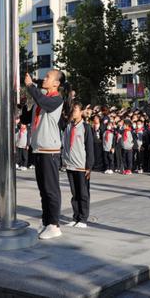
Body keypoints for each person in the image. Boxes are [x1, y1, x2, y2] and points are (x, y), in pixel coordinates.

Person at [21, 70, 65, 240]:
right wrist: (24, 104)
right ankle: (47, 222)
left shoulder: (55, 99)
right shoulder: (41, 101)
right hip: (38, 149)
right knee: (43, 190)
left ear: (56, 83)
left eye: (48, 77)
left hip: (50, 151)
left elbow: (42, 100)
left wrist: (31, 85)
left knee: (51, 190)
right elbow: (25, 119)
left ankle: (54, 225)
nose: (45, 78)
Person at [62, 102, 94, 228]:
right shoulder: (68, 126)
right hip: (70, 164)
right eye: (72, 109)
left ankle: (83, 218)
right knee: (74, 193)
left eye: (75, 110)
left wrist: (89, 166)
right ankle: (75, 217)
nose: (73, 112)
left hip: (81, 165)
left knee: (83, 193)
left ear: (81, 112)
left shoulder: (86, 127)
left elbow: (90, 148)